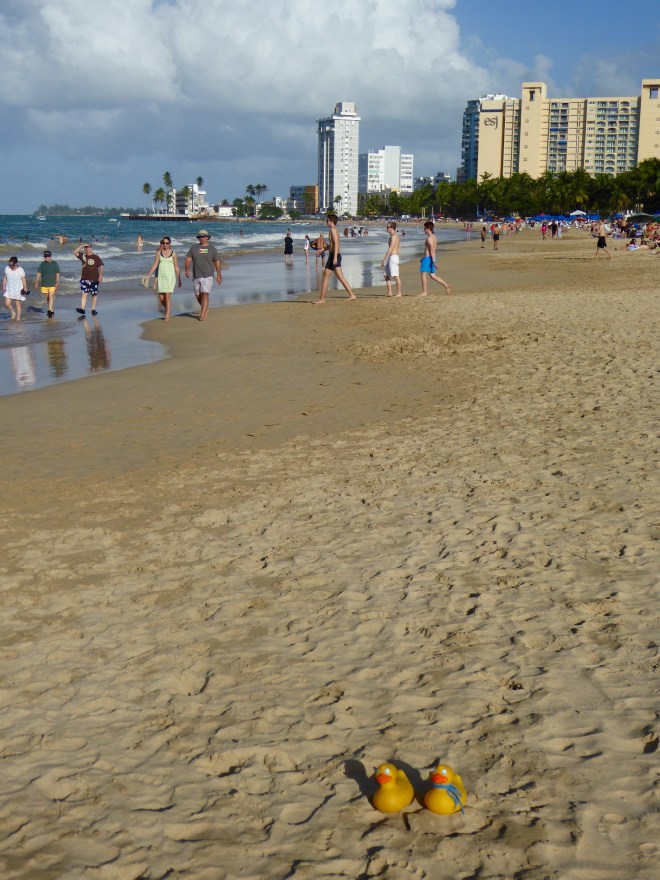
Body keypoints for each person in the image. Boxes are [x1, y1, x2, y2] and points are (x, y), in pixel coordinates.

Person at [313, 213, 356, 304]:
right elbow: (332, 245)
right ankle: (352, 295)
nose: (326, 222)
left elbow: (336, 244)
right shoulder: (333, 230)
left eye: (327, 220)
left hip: (334, 256)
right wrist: (323, 250)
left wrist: (335, 257)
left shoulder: (333, 230)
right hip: (335, 255)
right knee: (340, 277)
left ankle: (322, 299)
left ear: (332, 221)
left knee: (325, 277)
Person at [185, 229, 221, 321]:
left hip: (208, 275)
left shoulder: (212, 249)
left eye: (203, 236)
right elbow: (188, 259)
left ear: (207, 238)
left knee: (205, 294)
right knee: (198, 295)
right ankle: (205, 308)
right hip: (196, 275)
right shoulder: (193, 248)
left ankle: (203, 314)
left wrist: (219, 275)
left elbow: (217, 262)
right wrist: (187, 270)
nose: (201, 238)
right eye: (200, 236)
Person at [146, 236, 181, 321]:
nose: (165, 244)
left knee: (167, 296)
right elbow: (155, 265)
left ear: (170, 244)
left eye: (167, 243)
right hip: (161, 277)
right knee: (161, 298)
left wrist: (179, 278)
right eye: (164, 243)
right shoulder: (159, 253)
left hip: (170, 277)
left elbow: (176, 267)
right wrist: (148, 275)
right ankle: (167, 309)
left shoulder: (173, 253)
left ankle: (167, 315)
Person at [419, 221, 450, 296]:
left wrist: (434, 262)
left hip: (428, 258)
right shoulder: (434, 237)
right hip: (430, 258)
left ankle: (424, 292)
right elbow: (431, 251)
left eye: (425, 228)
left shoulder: (429, 239)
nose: (424, 229)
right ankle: (446, 285)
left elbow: (432, 251)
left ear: (429, 228)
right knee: (432, 276)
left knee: (423, 274)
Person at [74, 242, 104, 315]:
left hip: (94, 279)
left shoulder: (96, 257)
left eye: (88, 247)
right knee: (84, 294)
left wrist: (100, 275)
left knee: (94, 295)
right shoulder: (83, 256)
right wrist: (81, 245)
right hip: (84, 279)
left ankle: (93, 309)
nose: (87, 248)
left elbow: (101, 267)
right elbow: (75, 252)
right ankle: (82, 309)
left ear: (91, 248)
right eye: (85, 247)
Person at [35, 249, 61, 318]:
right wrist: (36, 282)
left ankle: (49, 310)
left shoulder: (54, 264)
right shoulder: (42, 264)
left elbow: (57, 273)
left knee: (51, 296)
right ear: (44, 257)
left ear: (50, 256)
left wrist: (57, 283)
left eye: (48, 256)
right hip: (44, 284)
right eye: (45, 256)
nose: (47, 258)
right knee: (47, 297)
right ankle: (51, 309)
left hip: (52, 283)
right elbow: (39, 273)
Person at [3, 256, 28, 321]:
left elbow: (23, 279)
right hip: (9, 288)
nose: (11, 266)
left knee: (18, 304)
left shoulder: (20, 270)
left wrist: (25, 287)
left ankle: (18, 318)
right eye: (10, 265)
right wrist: (3, 285)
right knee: (7, 303)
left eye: (13, 265)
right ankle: (13, 312)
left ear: (16, 263)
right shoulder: (7, 268)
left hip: (18, 289)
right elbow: (5, 277)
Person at [381, 222, 402, 297]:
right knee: (386, 275)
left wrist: (384, 259)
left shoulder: (394, 236)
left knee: (396, 275)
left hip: (393, 257)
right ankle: (390, 292)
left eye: (387, 227)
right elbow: (399, 247)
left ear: (391, 228)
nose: (386, 229)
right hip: (392, 257)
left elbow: (391, 248)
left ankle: (399, 293)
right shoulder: (393, 236)